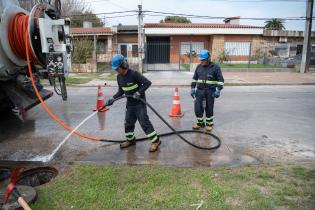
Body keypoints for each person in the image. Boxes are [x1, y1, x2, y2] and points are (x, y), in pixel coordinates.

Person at [105, 54, 161, 152]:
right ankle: (130, 140)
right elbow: (121, 91)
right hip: (130, 105)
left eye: (117, 68)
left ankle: (155, 141)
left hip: (140, 104)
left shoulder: (134, 74)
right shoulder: (119, 77)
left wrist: (139, 92)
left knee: (144, 123)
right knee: (128, 123)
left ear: (124, 65)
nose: (116, 71)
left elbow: (147, 83)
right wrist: (112, 99)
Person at [190, 49, 224, 132]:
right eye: (200, 59)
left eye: (203, 59)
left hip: (210, 91)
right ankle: (200, 123)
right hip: (200, 91)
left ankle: (209, 124)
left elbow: (221, 80)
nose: (201, 61)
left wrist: (218, 90)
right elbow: (194, 79)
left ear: (208, 58)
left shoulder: (215, 67)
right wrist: (192, 88)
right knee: (198, 108)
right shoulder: (198, 67)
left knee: (209, 108)